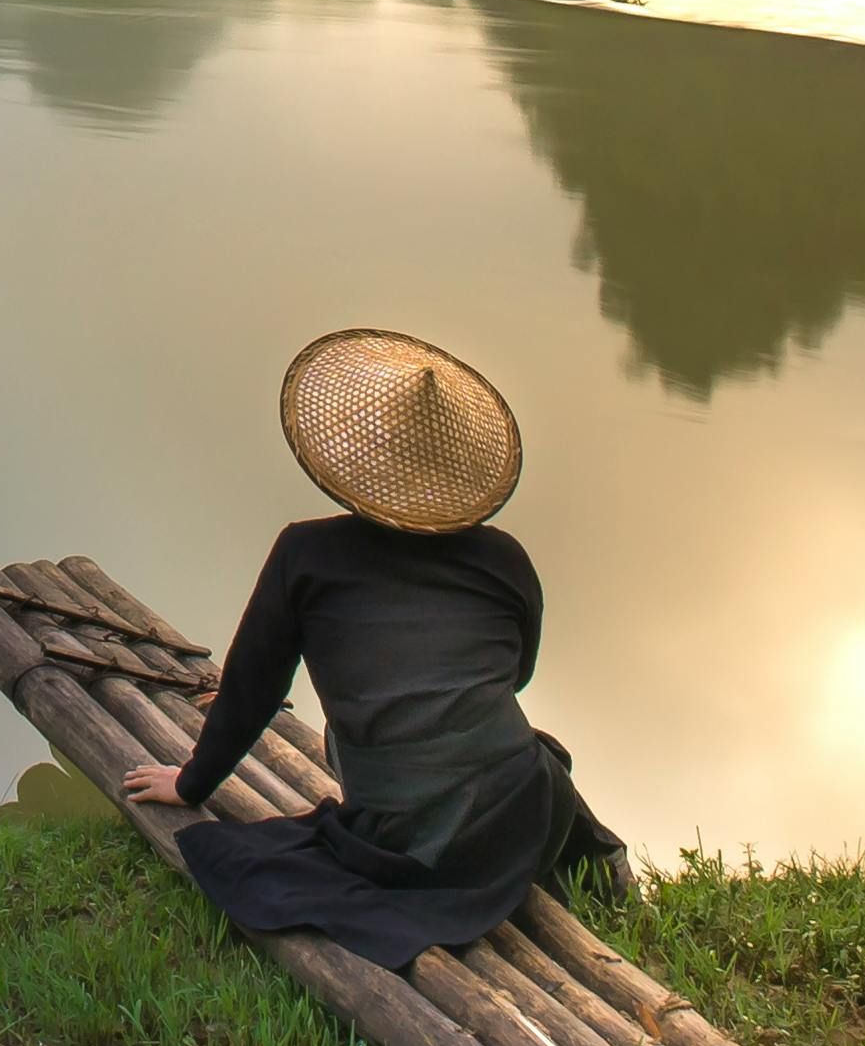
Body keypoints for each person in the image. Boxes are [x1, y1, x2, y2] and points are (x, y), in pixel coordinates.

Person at [117, 325, 622, 957]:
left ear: (363, 456)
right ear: (459, 471)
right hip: (523, 814)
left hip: (403, 838)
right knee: (526, 749)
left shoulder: (304, 553)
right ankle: (592, 867)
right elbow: (515, 674)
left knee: (343, 743)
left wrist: (192, 783)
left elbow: (253, 689)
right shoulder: (504, 558)